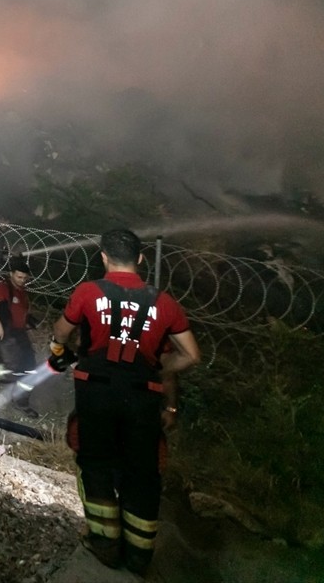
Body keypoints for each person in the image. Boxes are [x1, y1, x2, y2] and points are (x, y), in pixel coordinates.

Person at [51, 228, 200, 577]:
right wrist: (159, 368)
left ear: (103, 257)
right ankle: (138, 557)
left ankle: (105, 545)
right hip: (142, 396)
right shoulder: (163, 303)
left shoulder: (89, 292)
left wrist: (61, 351)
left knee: (96, 462)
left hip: (96, 391)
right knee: (142, 472)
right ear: (141, 259)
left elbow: (61, 333)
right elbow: (191, 355)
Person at [0, 257, 39, 418]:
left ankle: (21, 401)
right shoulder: (3, 288)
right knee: (15, 370)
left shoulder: (21, 290)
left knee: (30, 368)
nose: (22, 281)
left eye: (24, 278)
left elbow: (18, 309)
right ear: (11, 274)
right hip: (7, 334)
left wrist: (27, 319)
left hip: (19, 333)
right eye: (19, 277)